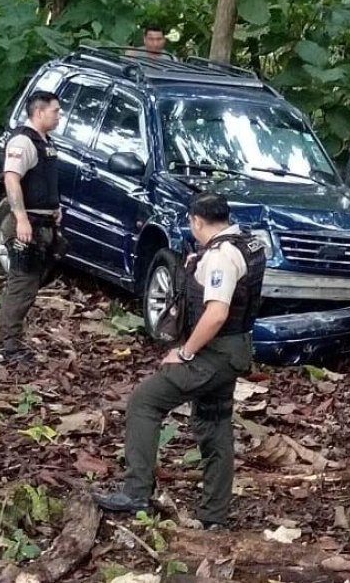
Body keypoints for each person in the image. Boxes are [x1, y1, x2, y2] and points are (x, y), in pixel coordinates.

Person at [94, 193, 266, 529]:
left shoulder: (221, 257)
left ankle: (136, 491)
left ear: (198, 221)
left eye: (192, 224)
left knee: (144, 401)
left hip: (214, 353)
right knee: (214, 422)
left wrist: (185, 352)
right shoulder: (250, 244)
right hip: (236, 348)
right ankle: (214, 516)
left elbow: (216, 313)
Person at [0, 91, 64, 363]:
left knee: (31, 283)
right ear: (39, 112)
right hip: (28, 224)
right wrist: (21, 218)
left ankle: (14, 340)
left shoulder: (45, 142)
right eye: (55, 111)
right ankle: (9, 347)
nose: (59, 116)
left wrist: (54, 209)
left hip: (43, 222)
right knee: (21, 285)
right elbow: (12, 179)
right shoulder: (23, 141)